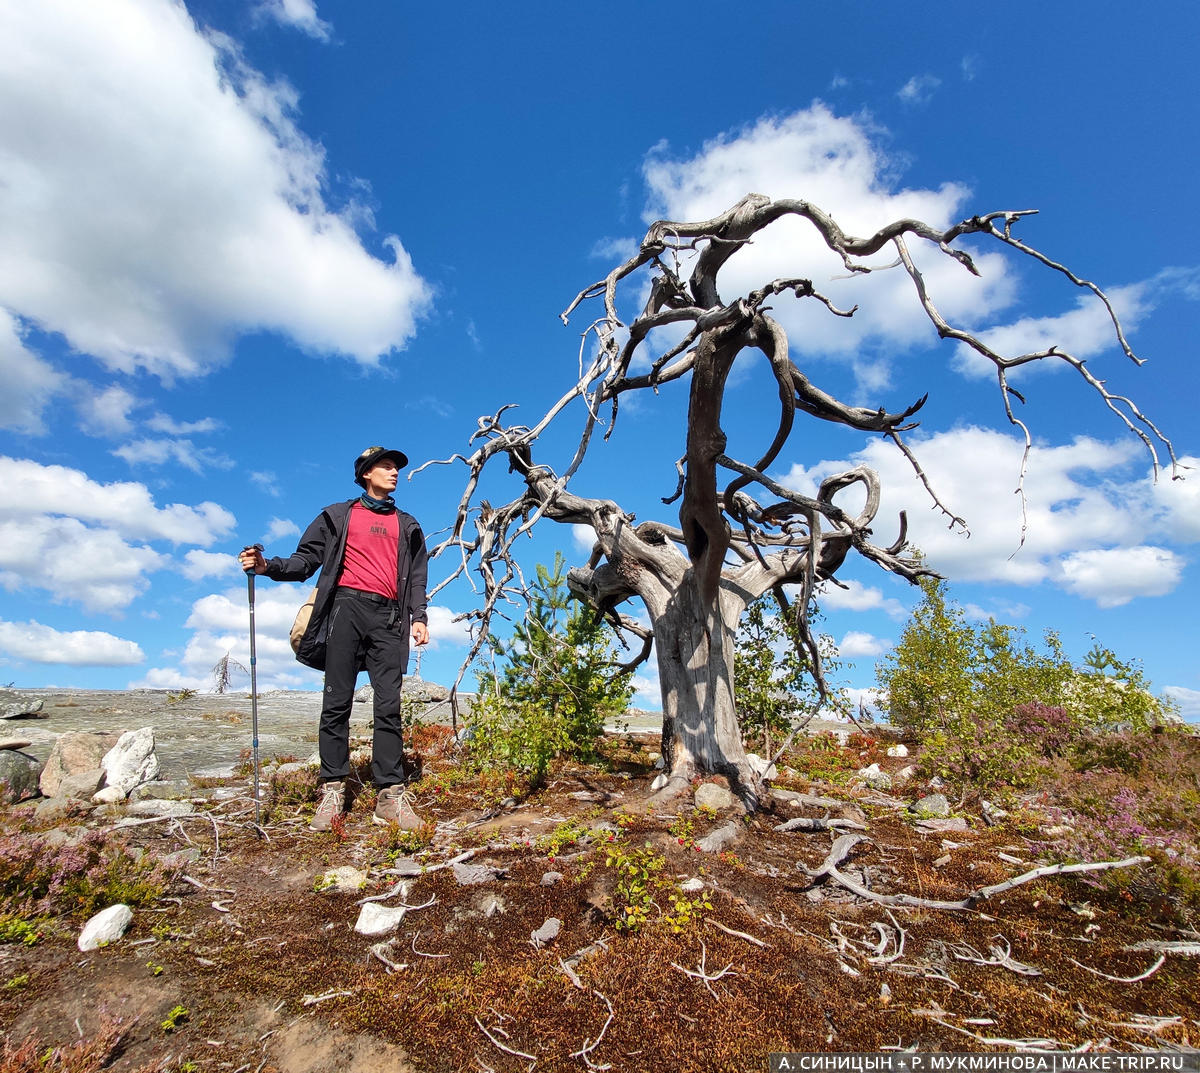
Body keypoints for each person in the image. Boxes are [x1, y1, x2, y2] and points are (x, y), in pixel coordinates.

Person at [238, 445, 430, 832]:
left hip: (390, 617)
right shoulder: (337, 516)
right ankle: (332, 789)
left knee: (389, 706)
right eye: (386, 466)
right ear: (365, 473)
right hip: (344, 610)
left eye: (395, 468)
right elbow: (304, 561)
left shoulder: (407, 524)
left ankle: (390, 796)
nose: (394, 473)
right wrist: (266, 566)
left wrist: (419, 616)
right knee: (337, 701)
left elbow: (418, 576)